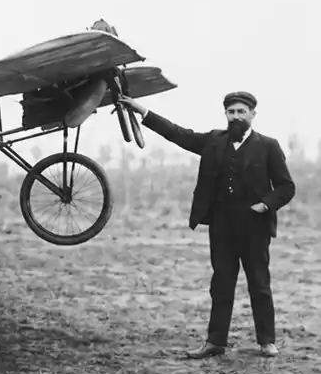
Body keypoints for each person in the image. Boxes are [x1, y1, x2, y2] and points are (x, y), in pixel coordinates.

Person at [119, 91, 295, 358]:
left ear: (253, 115)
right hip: (221, 226)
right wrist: (141, 110)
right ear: (225, 114)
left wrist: (265, 205)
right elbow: (178, 134)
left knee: (259, 284)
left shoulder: (268, 146)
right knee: (221, 284)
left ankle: (267, 342)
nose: (236, 117)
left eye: (241, 112)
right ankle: (215, 342)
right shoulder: (213, 141)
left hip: (254, 227)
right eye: (231, 112)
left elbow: (286, 187)